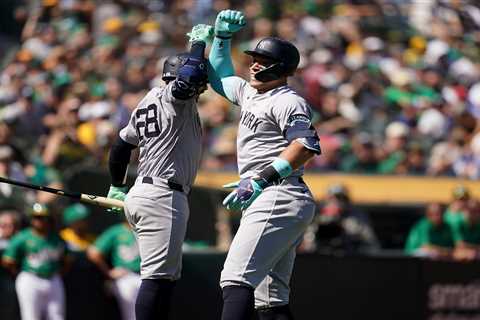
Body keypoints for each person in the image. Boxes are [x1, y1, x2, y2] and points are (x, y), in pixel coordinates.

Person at [189, 10, 321, 320]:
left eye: (262, 59)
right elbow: (219, 77)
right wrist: (221, 38)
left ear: (281, 67)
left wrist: (261, 179)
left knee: (235, 278)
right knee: (270, 300)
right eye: (253, 58)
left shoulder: (288, 100)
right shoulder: (252, 93)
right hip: (272, 196)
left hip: (279, 192)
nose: (254, 63)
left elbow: (305, 146)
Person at [104, 39, 209, 319]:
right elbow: (191, 76)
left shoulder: (148, 99)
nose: (202, 88)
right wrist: (199, 45)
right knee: (157, 279)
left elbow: (121, 146)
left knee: (163, 278)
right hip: (163, 195)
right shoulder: (175, 98)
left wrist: (117, 185)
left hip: (146, 192)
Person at [2, 203, 69, 320]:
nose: (39, 220)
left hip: (53, 278)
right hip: (31, 277)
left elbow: (68, 259)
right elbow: (8, 260)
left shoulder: (56, 237)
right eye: (36, 217)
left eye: (42, 217)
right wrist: (18, 272)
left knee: (57, 316)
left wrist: (60, 272)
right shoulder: (23, 237)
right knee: (30, 316)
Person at [87, 221, 141, 320]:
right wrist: (108, 272)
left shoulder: (146, 229)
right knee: (132, 316)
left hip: (146, 276)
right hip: (127, 276)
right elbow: (93, 252)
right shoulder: (117, 231)